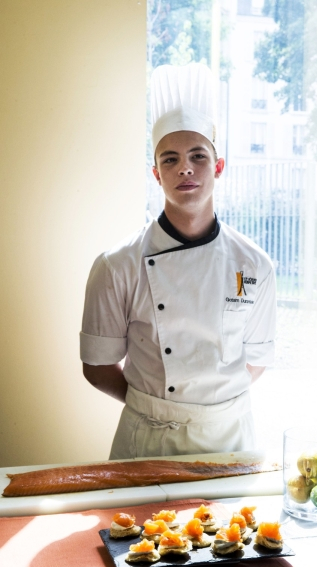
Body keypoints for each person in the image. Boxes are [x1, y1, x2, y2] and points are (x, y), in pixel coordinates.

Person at [80, 63, 276, 459]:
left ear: (218, 167)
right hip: (148, 439)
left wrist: (210, 412)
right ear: (156, 174)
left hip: (230, 440)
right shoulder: (116, 266)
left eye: (197, 156)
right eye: (169, 159)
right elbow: (97, 367)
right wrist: (153, 407)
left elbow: (256, 360)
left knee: (237, 524)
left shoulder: (254, 266)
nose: (185, 167)